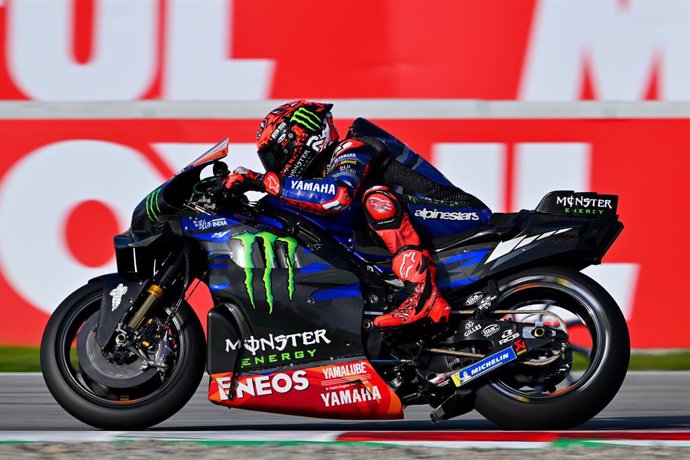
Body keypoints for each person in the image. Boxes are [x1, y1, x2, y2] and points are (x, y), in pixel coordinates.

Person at [223, 100, 491, 327]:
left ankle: (422, 295)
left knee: (376, 199)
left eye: (276, 155)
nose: (275, 165)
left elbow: (338, 195)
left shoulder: (352, 148)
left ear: (300, 139)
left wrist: (262, 181)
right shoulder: (326, 170)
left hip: (459, 213)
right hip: (425, 220)